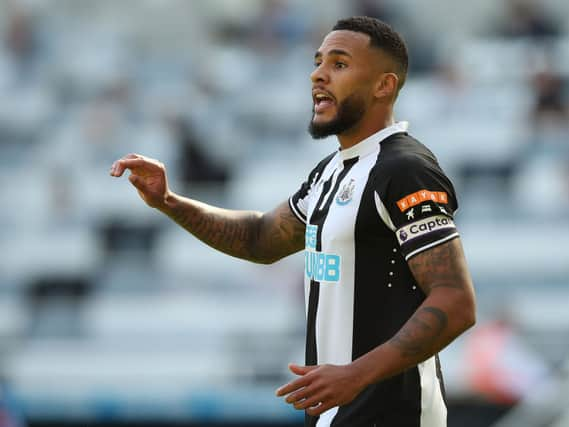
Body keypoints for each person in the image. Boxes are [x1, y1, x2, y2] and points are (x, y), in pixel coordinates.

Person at [110, 16, 476, 427]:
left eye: (339, 64)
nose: (318, 74)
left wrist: (355, 376)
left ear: (383, 86)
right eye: (318, 62)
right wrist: (169, 202)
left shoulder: (405, 169)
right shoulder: (330, 172)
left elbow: (456, 302)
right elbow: (260, 238)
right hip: (337, 413)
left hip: (393, 415)